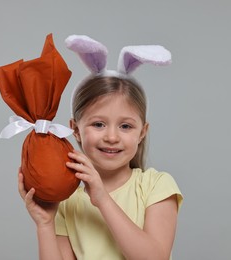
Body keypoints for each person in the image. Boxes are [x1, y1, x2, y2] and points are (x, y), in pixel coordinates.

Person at [18, 35, 183, 260]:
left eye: (125, 126)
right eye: (98, 124)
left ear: (142, 133)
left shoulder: (157, 186)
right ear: (75, 129)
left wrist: (103, 199)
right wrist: (45, 224)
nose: (112, 137)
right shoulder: (68, 200)